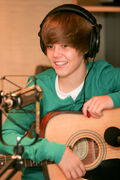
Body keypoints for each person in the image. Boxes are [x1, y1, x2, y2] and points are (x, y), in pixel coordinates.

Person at [0, 3, 120, 180]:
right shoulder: (39, 87)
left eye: (65, 46)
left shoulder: (103, 76)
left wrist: (113, 99)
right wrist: (56, 152)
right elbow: (6, 137)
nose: (55, 55)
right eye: (51, 46)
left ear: (87, 46)